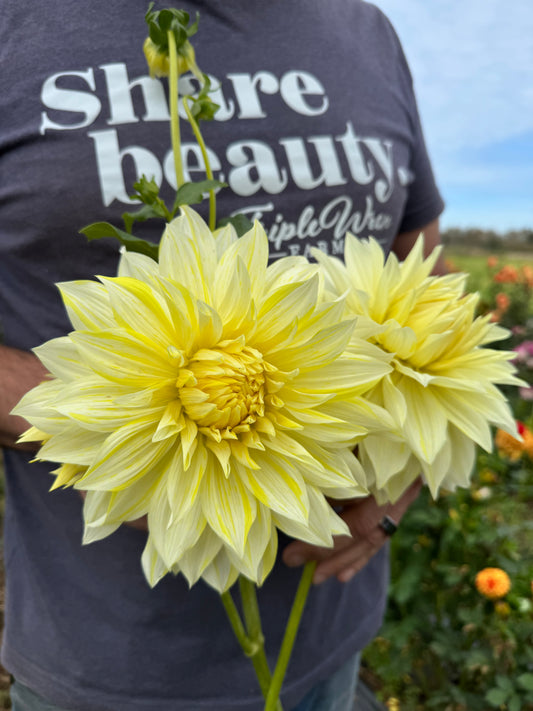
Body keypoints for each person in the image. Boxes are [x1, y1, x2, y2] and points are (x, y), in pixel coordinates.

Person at [0, 1, 445, 709]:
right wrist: (92, 424)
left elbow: (423, 268)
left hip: (329, 634)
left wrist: (418, 450)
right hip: (110, 670)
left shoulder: (366, 29)